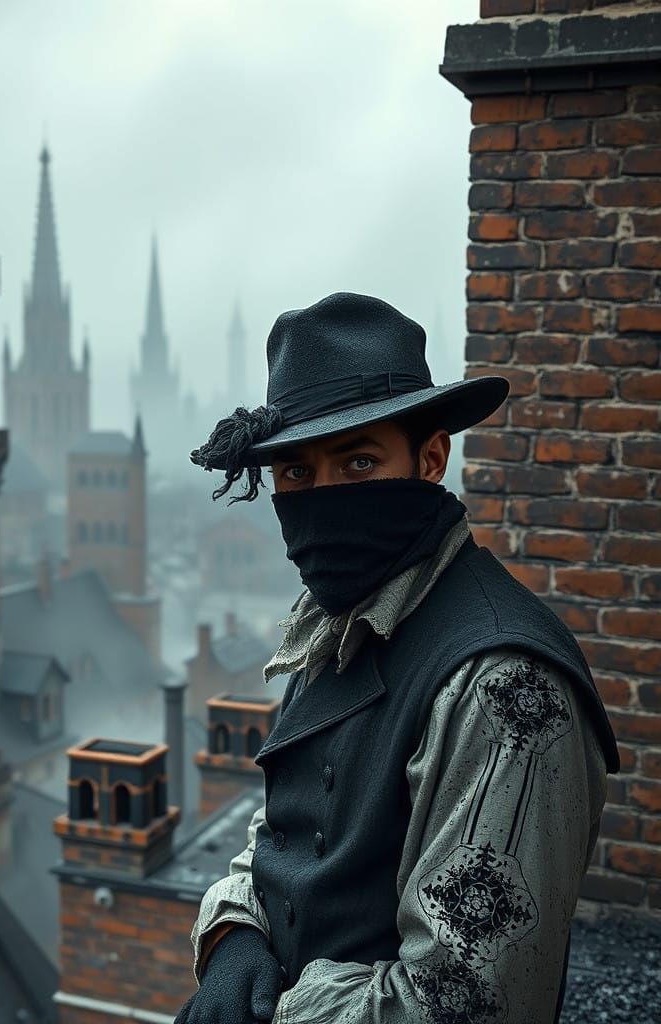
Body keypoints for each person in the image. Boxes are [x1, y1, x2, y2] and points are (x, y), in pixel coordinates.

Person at [177, 292, 619, 1024]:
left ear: (431, 459)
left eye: (357, 461)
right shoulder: (336, 618)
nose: (322, 498)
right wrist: (234, 936)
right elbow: (285, 827)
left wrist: (270, 1009)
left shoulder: (502, 686)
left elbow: (468, 1002)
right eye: (293, 473)